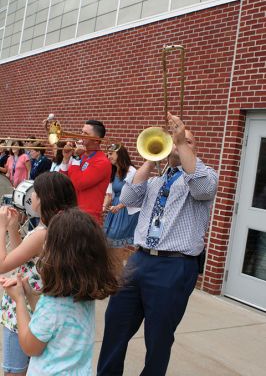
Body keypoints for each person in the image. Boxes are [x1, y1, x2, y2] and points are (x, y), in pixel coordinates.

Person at [97, 112, 218, 376]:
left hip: (174, 265)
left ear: (193, 148)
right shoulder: (156, 179)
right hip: (139, 259)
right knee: (115, 325)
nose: (177, 143)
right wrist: (151, 159)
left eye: (187, 141)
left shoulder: (205, 175)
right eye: (176, 140)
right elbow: (128, 196)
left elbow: (202, 189)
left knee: (158, 337)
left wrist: (181, 142)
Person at [0, 208, 120, 375]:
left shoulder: (52, 304)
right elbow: (52, 326)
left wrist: (20, 300)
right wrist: (29, 294)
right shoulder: (84, 296)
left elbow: (30, 347)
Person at [0, 172, 77, 376]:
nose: (30, 196)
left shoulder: (42, 234)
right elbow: (25, 258)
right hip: (41, 308)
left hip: (24, 309)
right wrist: (13, 229)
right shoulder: (60, 228)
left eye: (35, 193)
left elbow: (3, 264)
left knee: (14, 371)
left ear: (44, 199)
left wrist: (0, 227)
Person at [61, 120, 112, 224]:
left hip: (88, 218)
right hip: (73, 213)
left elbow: (78, 184)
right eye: (82, 132)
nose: (80, 136)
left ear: (96, 140)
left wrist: (75, 157)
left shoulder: (102, 162)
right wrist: (66, 159)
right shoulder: (82, 156)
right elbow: (62, 181)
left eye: (86, 134)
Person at [103, 144, 140, 262]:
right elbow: (109, 195)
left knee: (116, 243)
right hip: (115, 209)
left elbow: (135, 194)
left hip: (126, 209)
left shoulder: (132, 171)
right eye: (108, 154)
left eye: (111, 153)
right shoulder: (113, 171)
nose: (108, 156)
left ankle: (118, 272)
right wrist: (103, 208)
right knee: (108, 241)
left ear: (120, 154)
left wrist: (119, 206)